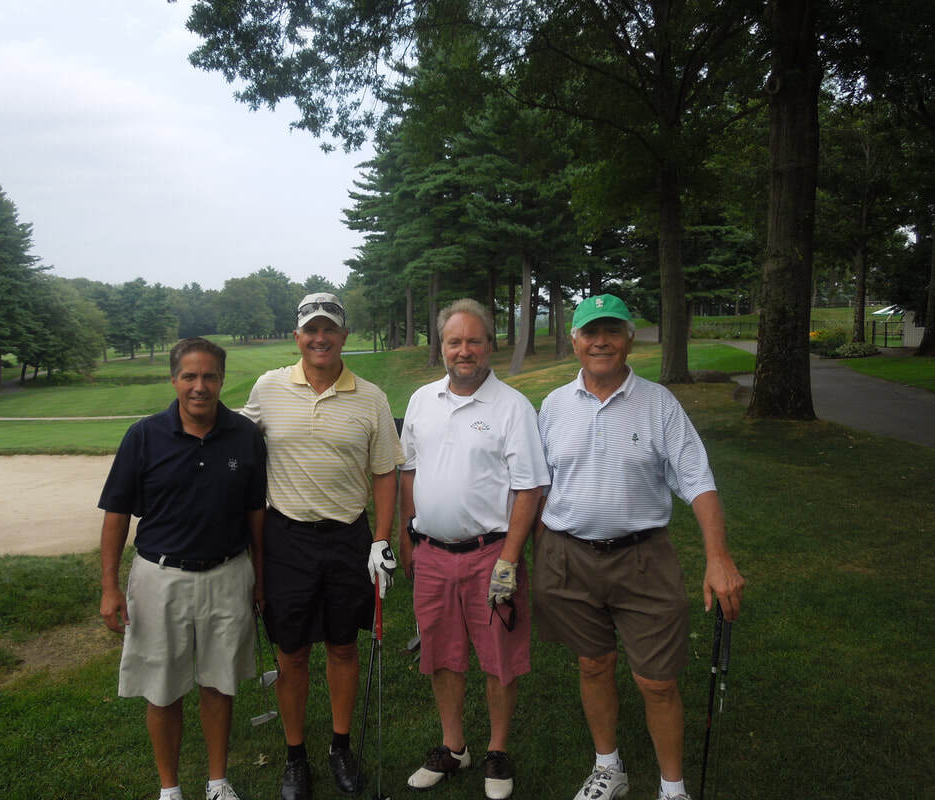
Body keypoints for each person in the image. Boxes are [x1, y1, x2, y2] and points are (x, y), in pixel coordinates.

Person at [533, 295, 745, 800]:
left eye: (612, 331)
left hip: (643, 559)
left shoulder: (659, 403)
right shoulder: (554, 406)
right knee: (592, 664)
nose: (600, 342)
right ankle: (609, 768)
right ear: (574, 342)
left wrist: (718, 557)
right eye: (590, 332)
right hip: (569, 558)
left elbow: (697, 479)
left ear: (629, 339)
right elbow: (538, 485)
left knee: (658, 682)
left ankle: (673, 788)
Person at [241, 292, 404, 800]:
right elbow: (235, 441)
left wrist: (381, 539)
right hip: (286, 537)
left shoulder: (371, 398)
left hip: (347, 537)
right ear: (297, 337)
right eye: (311, 329)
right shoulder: (268, 388)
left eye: (329, 329)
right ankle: (295, 757)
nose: (320, 338)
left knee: (342, 645)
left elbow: (385, 473)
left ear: (343, 336)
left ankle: (339, 745)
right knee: (290, 653)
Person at [98, 337, 267, 800]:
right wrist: (109, 587)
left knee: (219, 683)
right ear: (174, 379)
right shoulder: (144, 436)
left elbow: (256, 512)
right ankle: (169, 790)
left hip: (228, 574)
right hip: (160, 578)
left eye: (209, 376)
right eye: (189, 376)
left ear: (222, 379)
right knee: (163, 688)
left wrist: (260, 578)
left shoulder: (244, 434)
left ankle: (217, 782)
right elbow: (116, 514)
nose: (199, 386)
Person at [398, 299, 550, 800]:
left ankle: (497, 750)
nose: (464, 351)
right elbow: (408, 472)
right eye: (454, 342)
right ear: (441, 347)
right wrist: (406, 535)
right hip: (432, 553)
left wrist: (510, 559)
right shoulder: (421, 400)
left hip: (491, 554)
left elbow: (529, 489)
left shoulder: (512, 407)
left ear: (490, 345)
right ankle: (454, 746)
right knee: (441, 654)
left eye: (474, 341)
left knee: (499, 656)